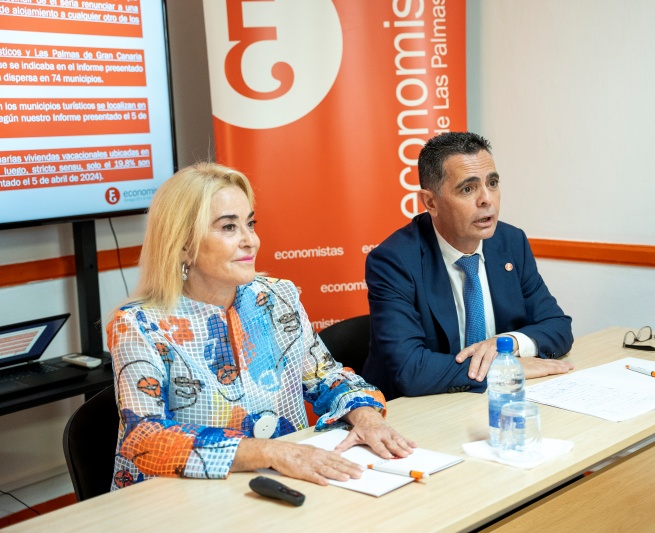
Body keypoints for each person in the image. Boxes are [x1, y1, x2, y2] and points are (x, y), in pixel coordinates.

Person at [106, 162, 414, 490]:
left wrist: (365, 415)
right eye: (228, 227)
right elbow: (147, 437)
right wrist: (269, 452)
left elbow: (325, 376)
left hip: (283, 483)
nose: (250, 240)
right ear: (182, 244)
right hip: (184, 498)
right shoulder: (137, 325)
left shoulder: (277, 297)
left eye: (250, 224)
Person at [362, 132, 574, 400]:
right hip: (413, 409)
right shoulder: (394, 260)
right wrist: (503, 368)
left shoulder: (511, 242)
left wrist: (507, 345)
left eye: (492, 183)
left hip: (486, 401)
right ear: (431, 202)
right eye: (468, 189)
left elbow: (558, 326)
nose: (487, 199)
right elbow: (410, 369)